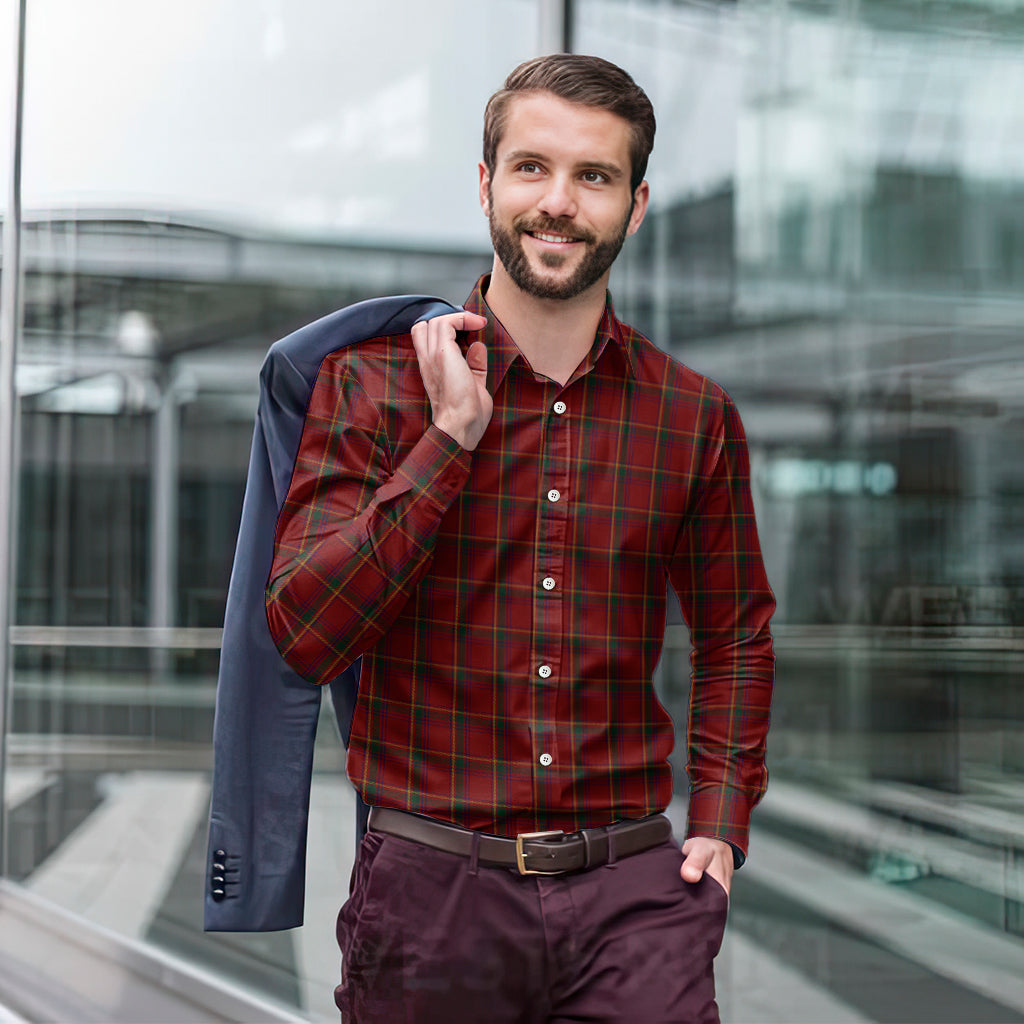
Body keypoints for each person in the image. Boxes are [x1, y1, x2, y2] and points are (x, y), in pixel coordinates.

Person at [265, 53, 775, 1024]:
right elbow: (303, 630)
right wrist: (449, 441)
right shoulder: (372, 388)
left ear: (636, 203)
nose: (559, 202)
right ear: (487, 182)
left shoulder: (691, 415)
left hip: (634, 897)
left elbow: (735, 634)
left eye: (595, 176)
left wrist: (718, 818)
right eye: (532, 167)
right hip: (432, 898)